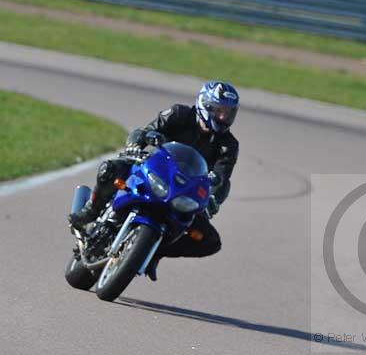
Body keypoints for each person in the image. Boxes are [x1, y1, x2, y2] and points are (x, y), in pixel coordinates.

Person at [69, 81, 240, 281]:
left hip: (182, 193)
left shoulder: (228, 145)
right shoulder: (178, 114)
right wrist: (138, 141)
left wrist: (212, 197)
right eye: (219, 110)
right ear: (205, 104)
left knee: (209, 241)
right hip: (151, 170)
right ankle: (92, 209)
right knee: (109, 169)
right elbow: (147, 131)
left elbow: (222, 176)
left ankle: (155, 251)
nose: (223, 117)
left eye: (228, 113)